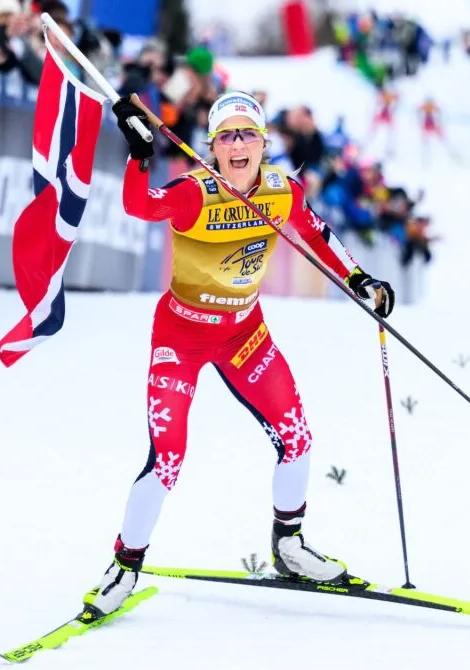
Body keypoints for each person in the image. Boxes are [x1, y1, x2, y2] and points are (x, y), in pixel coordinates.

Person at [78, 90, 397, 622]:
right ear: (214, 146)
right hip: (181, 336)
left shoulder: (281, 191)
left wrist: (360, 279)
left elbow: (318, 235)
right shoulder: (192, 193)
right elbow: (140, 206)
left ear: (264, 142)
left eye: (247, 133)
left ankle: (289, 546)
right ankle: (125, 567)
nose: (238, 144)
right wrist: (139, 156)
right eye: (226, 136)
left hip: (244, 333)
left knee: (296, 436)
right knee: (169, 458)